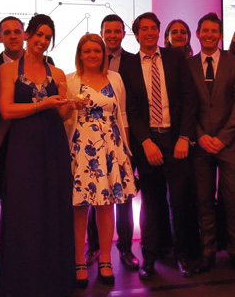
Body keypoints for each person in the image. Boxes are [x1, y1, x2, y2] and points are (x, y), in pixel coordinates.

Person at [0, 14, 75, 296]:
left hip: (53, 146)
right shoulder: (7, 71)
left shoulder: (59, 73)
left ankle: (53, 282)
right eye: (39, 34)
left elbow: (62, 114)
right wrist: (42, 104)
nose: (43, 41)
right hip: (23, 147)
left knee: (53, 209)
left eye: (48, 37)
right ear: (27, 35)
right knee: (24, 212)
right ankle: (22, 283)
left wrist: (73, 105)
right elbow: (6, 110)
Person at [120, 12, 196, 280]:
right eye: (144, 29)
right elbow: (130, 108)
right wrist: (145, 141)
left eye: (154, 28)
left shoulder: (175, 57)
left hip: (177, 141)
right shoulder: (127, 65)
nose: (150, 33)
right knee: (151, 203)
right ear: (137, 33)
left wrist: (185, 137)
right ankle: (149, 257)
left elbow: (189, 98)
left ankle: (182, 255)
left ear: (159, 31)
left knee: (179, 201)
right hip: (148, 142)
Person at [66, 34, 138, 287]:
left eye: (97, 50)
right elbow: (64, 115)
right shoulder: (70, 80)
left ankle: (106, 259)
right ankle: (78, 261)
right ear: (80, 54)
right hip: (81, 148)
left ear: (103, 54)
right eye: (87, 51)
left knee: (106, 206)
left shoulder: (115, 79)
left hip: (110, 148)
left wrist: (125, 151)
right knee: (79, 208)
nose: (93, 55)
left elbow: (123, 114)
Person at [186, 13, 235, 275]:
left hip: (229, 144)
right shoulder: (187, 65)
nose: (210, 35)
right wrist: (200, 136)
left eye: (215, 31)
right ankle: (207, 252)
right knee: (203, 200)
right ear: (198, 34)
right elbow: (186, 106)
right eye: (205, 31)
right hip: (200, 145)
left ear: (220, 35)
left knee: (233, 199)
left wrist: (223, 138)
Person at [84, 14, 141, 270]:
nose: (113, 35)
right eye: (108, 31)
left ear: (123, 33)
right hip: (93, 144)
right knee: (94, 197)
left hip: (122, 140)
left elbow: (129, 108)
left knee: (124, 200)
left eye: (117, 31)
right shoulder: (87, 63)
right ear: (102, 32)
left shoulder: (132, 62)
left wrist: (128, 148)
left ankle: (126, 249)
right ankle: (94, 248)